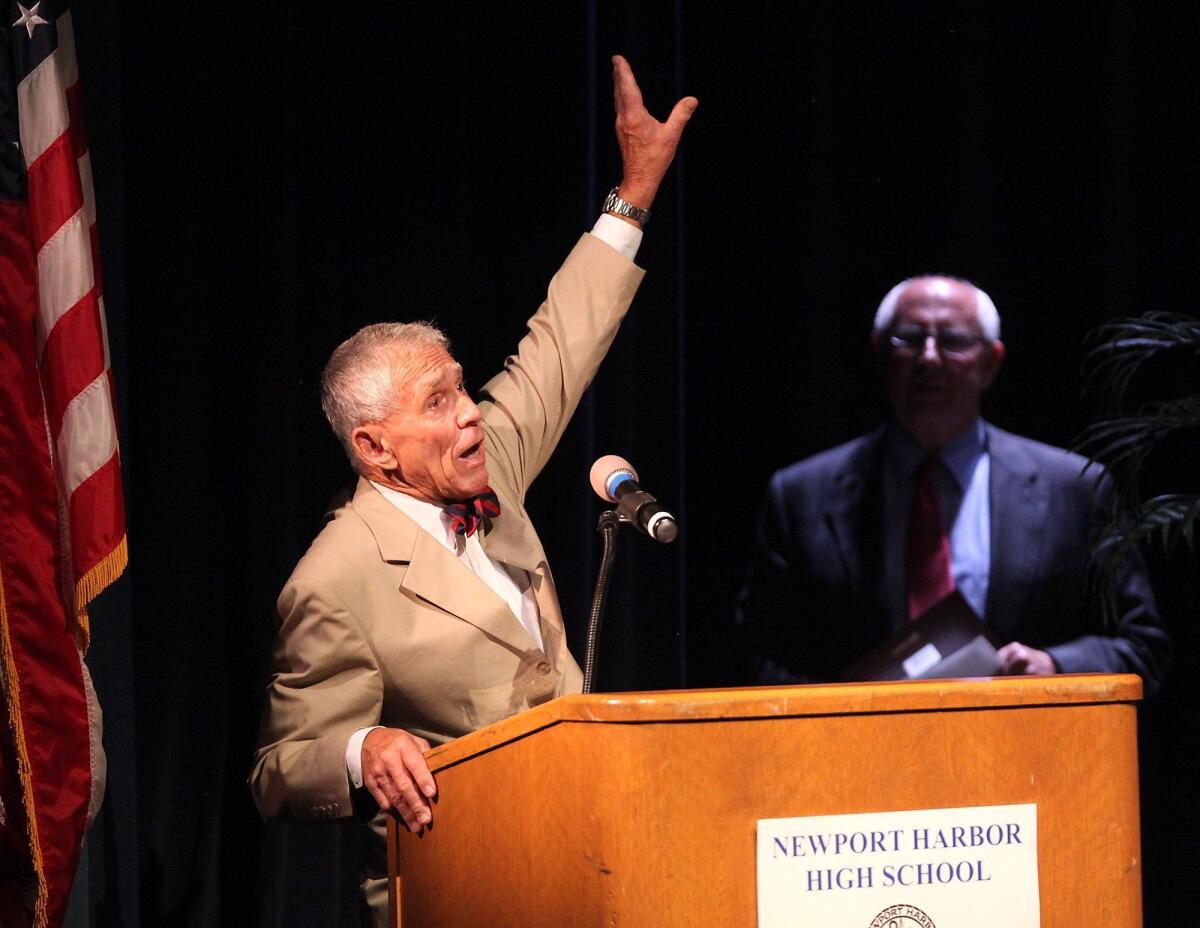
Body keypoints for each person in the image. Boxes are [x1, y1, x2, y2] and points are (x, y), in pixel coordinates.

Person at [249, 56, 696, 925]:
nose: (468, 416)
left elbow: (560, 345)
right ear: (375, 447)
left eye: (459, 388)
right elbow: (279, 767)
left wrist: (634, 191)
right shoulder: (335, 576)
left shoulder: (487, 463)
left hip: (584, 859)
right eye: (439, 402)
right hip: (465, 888)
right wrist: (360, 748)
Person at [737, 275, 1171, 690]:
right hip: (855, 757)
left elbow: (1142, 647)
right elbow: (756, 657)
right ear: (879, 355)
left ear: (990, 363)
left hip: (1024, 748)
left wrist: (1055, 665)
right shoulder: (801, 496)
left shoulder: (1075, 488)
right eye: (909, 338)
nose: (929, 357)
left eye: (953, 340)